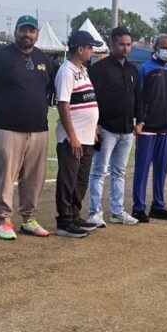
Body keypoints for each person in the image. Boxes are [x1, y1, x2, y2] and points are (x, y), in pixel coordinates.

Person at [0, 15, 53, 240]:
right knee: (6, 177)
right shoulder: (0, 57)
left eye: (31, 31)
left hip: (38, 128)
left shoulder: (43, 59)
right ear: (16, 32)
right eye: (23, 30)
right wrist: (1, 104)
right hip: (7, 127)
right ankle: (4, 220)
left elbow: (49, 89)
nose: (27, 34)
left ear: (37, 34)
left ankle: (28, 219)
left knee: (34, 177)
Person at [87, 27, 141, 227]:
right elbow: (91, 98)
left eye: (128, 44)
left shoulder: (133, 69)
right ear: (112, 44)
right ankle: (94, 212)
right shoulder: (99, 69)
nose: (125, 48)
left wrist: (140, 121)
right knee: (99, 171)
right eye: (121, 44)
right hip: (106, 128)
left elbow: (138, 96)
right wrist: (94, 124)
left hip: (127, 129)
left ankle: (117, 211)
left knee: (120, 172)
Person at [53, 31, 104, 238]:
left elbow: (87, 99)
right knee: (68, 178)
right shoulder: (66, 71)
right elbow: (63, 104)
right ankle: (64, 220)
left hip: (87, 136)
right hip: (72, 138)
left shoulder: (82, 70)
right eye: (90, 47)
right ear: (80, 49)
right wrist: (72, 135)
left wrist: (94, 126)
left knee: (81, 179)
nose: (92, 52)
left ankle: (74, 215)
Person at [131, 34, 167, 223]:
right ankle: (138, 207)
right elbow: (138, 97)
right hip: (147, 128)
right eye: (165, 47)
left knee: (161, 169)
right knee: (142, 168)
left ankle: (158, 205)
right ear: (155, 48)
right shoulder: (145, 69)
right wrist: (140, 120)